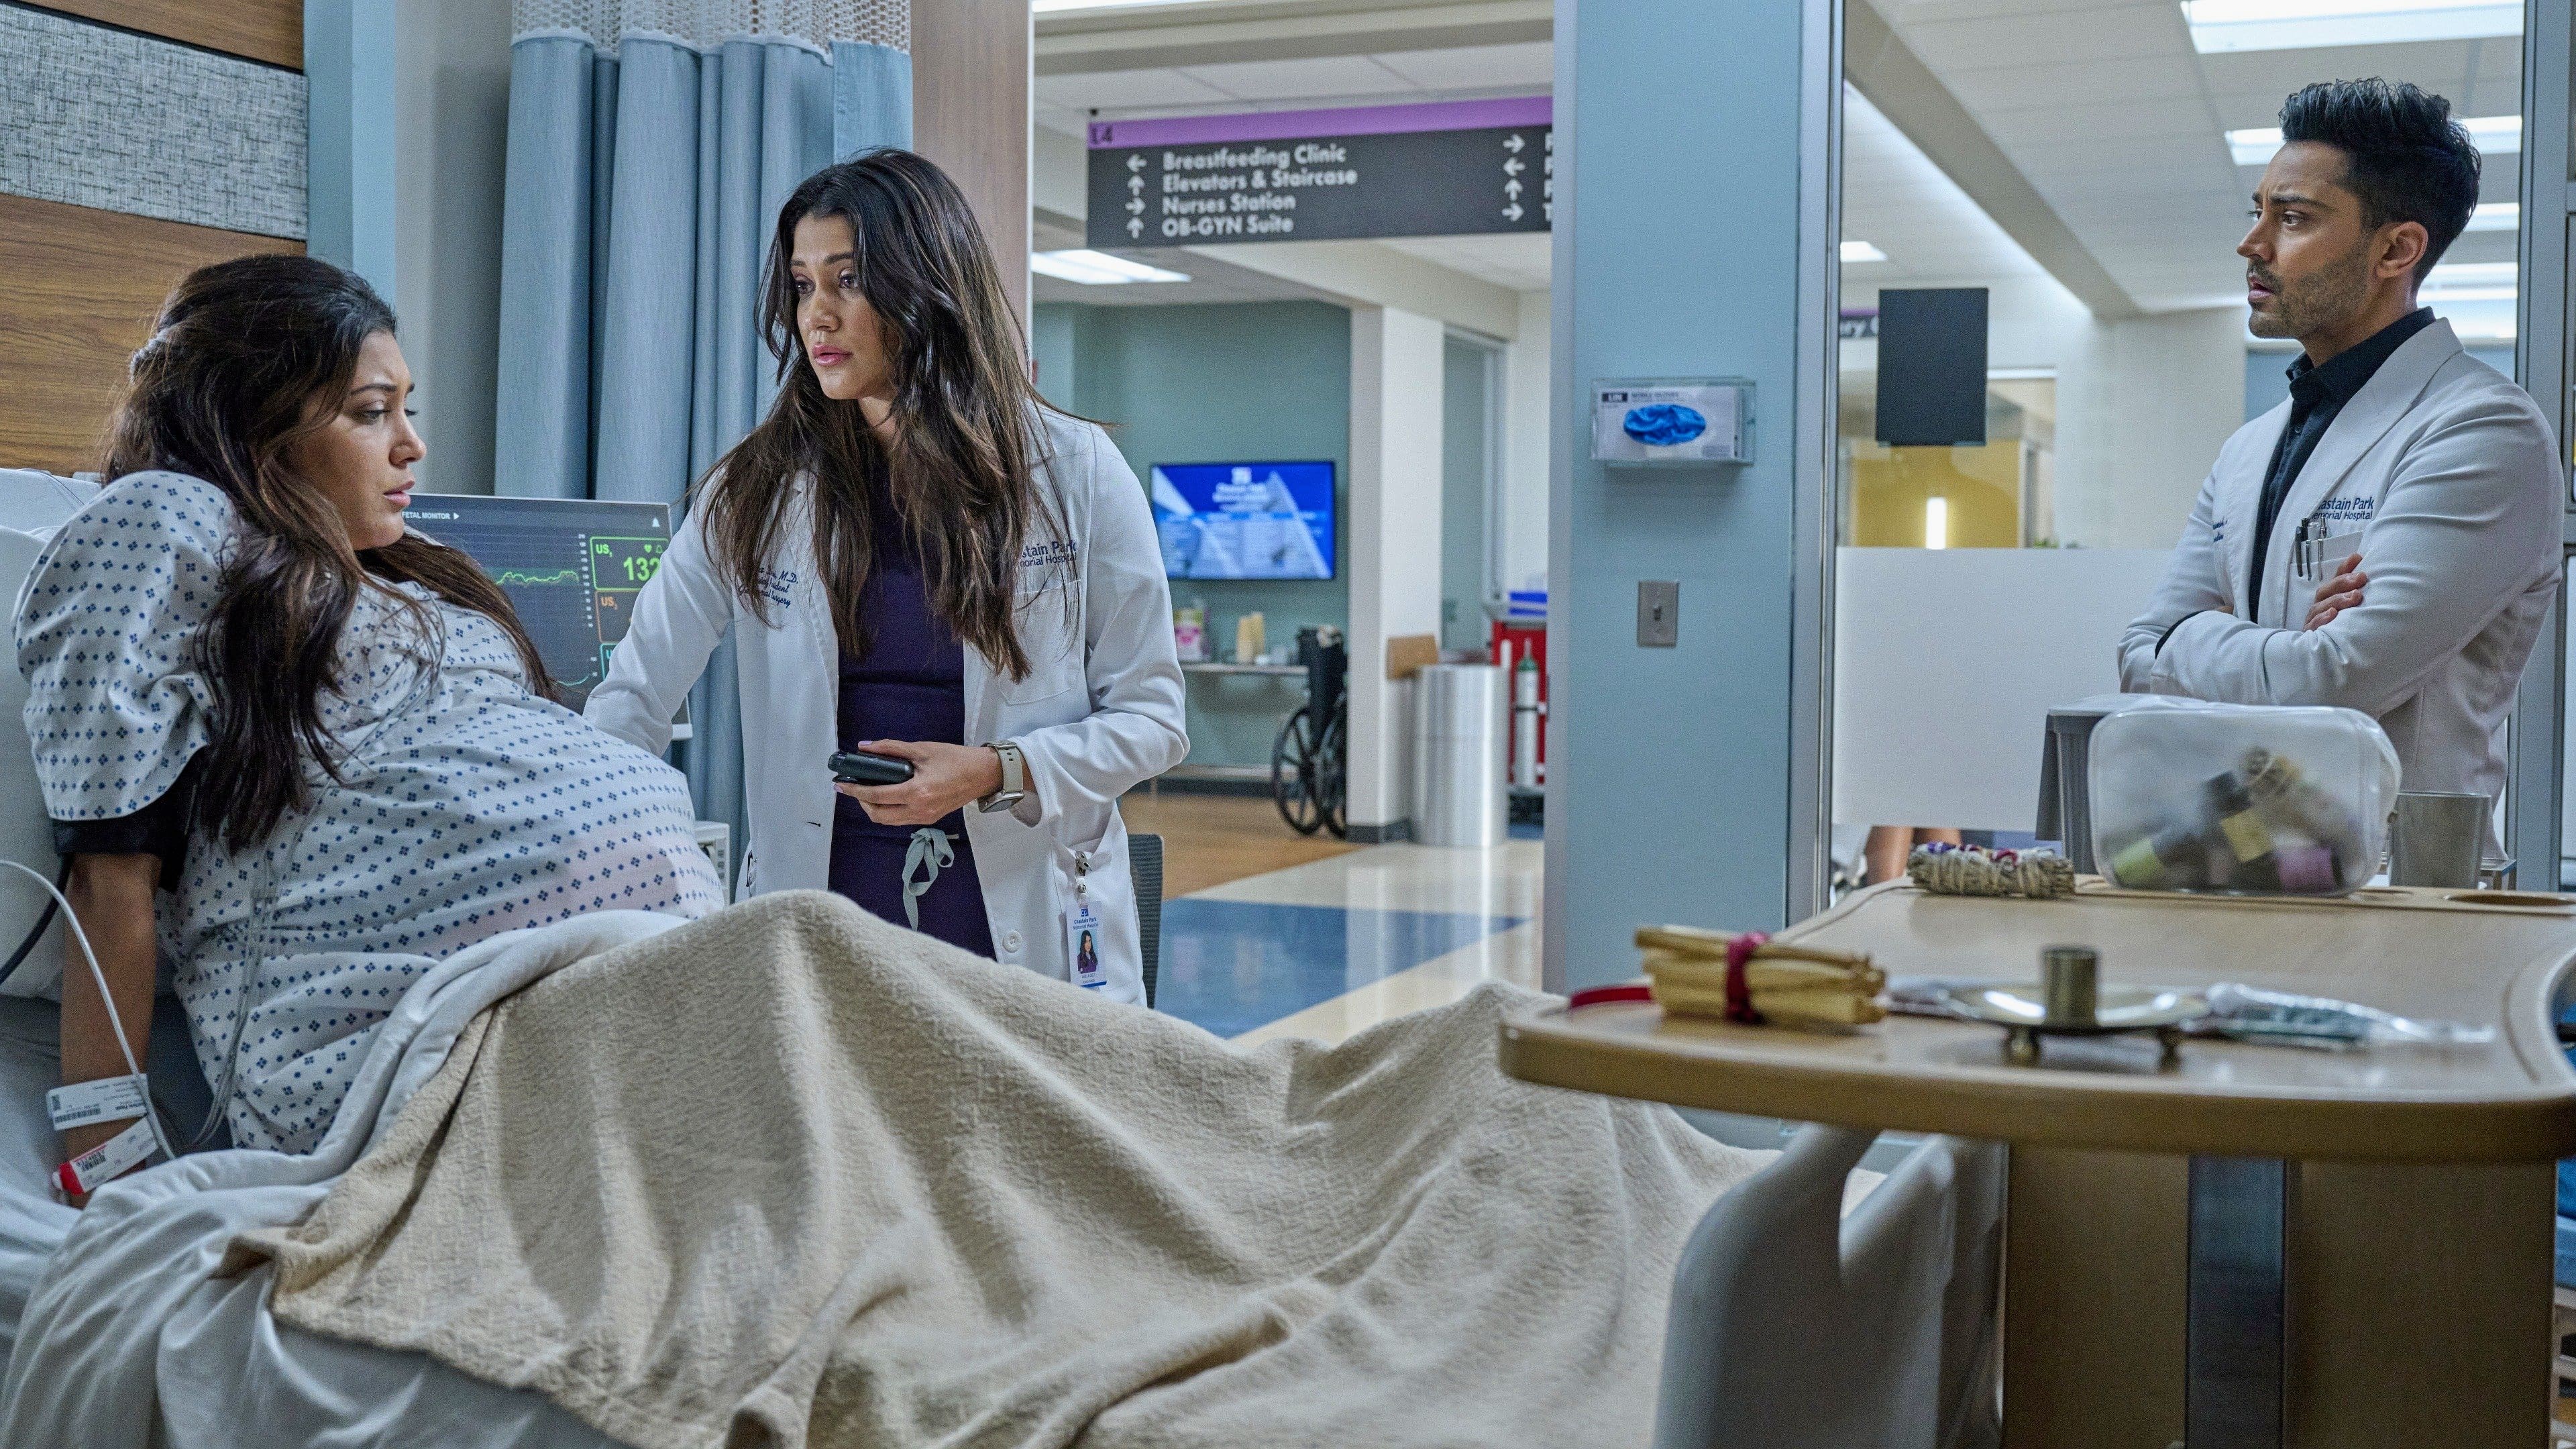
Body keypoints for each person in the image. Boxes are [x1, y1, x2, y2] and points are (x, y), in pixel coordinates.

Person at [20, 256, 724, 1179]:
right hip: (418, 1032)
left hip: (624, 981)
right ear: (254, 422)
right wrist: (101, 1157)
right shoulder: (162, 520)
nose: (411, 446)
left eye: (406, 409)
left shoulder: (396, 558)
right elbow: (109, 874)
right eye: (370, 412)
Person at [587, 150, 1186, 1002]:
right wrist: (623, 868)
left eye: (848, 280)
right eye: (802, 286)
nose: (817, 315)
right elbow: (633, 698)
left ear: (925, 289)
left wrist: (996, 770)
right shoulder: (756, 491)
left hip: (1017, 930)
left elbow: (1153, 720)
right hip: (824, 930)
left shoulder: (1074, 474)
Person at [2120, 79, 2561, 817]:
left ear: (2396, 249)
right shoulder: (2250, 448)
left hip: (2398, 865)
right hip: (2241, 845)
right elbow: (2139, 653)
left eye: (2292, 218)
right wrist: (2287, 645)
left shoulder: (2482, 430)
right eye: (2259, 213)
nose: (2253, 244)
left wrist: (2198, 639)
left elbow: (2339, 680)